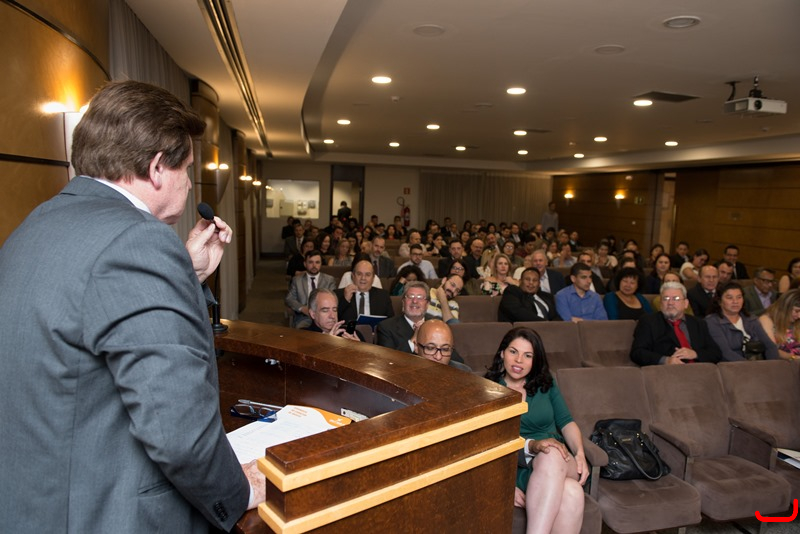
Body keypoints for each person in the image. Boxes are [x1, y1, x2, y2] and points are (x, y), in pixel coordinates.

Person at [0, 81, 261, 532]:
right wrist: (238, 491)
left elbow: (92, 318)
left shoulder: (37, 222)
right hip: (104, 513)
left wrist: (185, 272)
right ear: (158, 168)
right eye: (187, 169)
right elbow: (178, 429)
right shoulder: (140, 241)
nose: (189, 183)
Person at [485, 328, 586, 534]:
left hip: (559, 460)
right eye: (513, 352)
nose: (519, 360)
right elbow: (488, 444)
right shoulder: (487, 389)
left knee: (552, 453)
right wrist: (505, 485)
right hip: (516, 466)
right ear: (502, 353)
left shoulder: (546, 383)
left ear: (535, 360)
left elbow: (566, 422)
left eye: (528, 355)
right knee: (573, 492)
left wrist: (580, 453)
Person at [630, 282, 722, 366]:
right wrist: (666, 360)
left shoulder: (698, 323)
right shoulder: (648, 322)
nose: (670, 303)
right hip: (666, 373)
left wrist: (695, 354)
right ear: (661, 303)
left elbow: (715, 353)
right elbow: (637, 352)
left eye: (676, 298)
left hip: (699, 372)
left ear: (685, 303)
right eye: (666, 298)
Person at [705, 282, 779, 361]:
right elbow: (725, 352)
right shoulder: (712, 322)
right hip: (730, 366)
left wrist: (771, 365)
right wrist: (750, 366)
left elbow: (770, 346)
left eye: (739, 297)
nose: (735, 301)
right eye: (730, 298)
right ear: (719, 301)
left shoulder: (751, 320)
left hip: (757, 363)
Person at [286, 249, 337, 328]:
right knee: (302, 330)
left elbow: (334, 299)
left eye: (317, 262)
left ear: (321, 264)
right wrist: (302, 308)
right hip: (304, 317)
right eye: (310, 262)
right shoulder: (297, 280)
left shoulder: (329, 280)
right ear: (305, 264)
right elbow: (289, 299)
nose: (314, 265)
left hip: (325, 317)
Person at [376, 281, 429, 353]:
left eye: (420, 297)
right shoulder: (386, 327)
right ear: (403, 302)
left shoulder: (437, 326)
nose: (415, 301)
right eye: (410, 297)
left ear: (427, 304)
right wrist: (412, 341)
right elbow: (388, 358)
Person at [335, 257, 394, 321]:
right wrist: (345, 300)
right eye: (359, 274)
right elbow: (333, 319)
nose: (363, 278)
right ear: (353, 276)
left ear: (373, 278)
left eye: (368, 275)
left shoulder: (383, 296)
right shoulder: (338, 295)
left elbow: (391, 321)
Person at [759, 289, 800, 361]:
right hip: (781, 363)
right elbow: (773, 350)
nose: (799, 316)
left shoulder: (797, 321)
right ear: (785, 307)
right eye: (796, 311)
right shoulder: (766, 320)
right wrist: (794, 358)